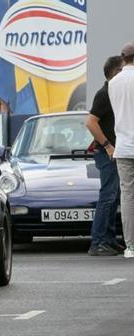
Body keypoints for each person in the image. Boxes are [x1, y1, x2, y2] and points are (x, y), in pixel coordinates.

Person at [86, 56, 125, 256]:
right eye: (123, 69)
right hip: (106, 153)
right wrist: (108, 146)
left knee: (114, 196)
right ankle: (98, 242)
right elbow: (91, 122)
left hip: (114, 152)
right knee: (108, 196)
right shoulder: (105, 94)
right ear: (115, 72)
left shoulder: (115, 92)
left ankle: (109, 239)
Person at [110, 43, 134, 258]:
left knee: (127, 196)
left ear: (123, 59)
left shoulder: (113, 83)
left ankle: (131, 246)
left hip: (124, 146)